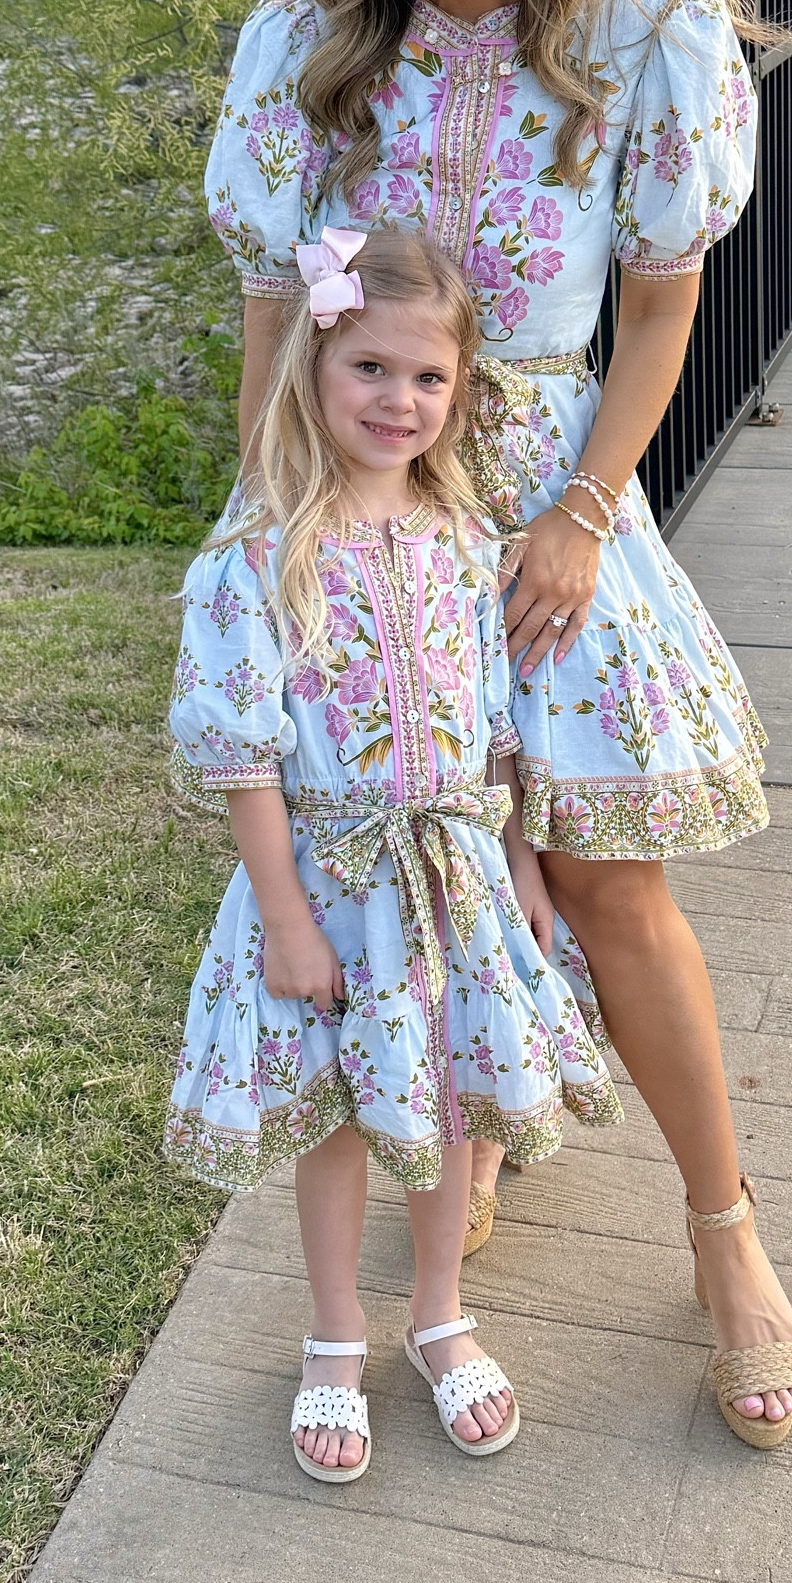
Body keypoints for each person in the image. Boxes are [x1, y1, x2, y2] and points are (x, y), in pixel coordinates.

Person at [208, 0, 792, 1448]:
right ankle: (455, 1157)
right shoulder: (313, 51)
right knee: (413, 865)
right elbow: (277, 298)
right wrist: (261, 529)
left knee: (608, 886)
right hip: (376, 526)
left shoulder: (645, 32)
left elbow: (656, 296)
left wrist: (577, 513)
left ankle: (722, 1233)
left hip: (555, 507)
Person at [165, 227, 621, 1482]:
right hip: (331, 883)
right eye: (370, 367)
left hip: (457, 877)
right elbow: (241, 751)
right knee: (342, 1122)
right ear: (315, 362)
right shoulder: (258, 548)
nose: (399, 400)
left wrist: (523, 867)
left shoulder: (466, 536)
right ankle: (332, 1330)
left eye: (428, 379)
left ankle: (437, 1309)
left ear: (459, 390)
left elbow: (491, 728)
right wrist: (285, 917)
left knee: (447, 1089)